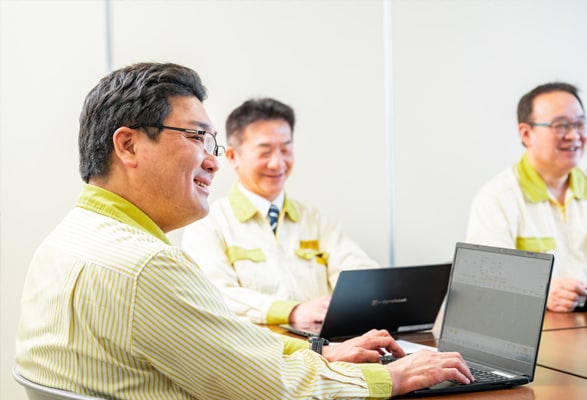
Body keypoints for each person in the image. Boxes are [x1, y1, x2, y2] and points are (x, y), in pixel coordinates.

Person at [16, 62, 472, 399]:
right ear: (128, 145)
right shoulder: (148, 265)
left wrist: (317, 353)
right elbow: (271, 388)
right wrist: (391, 377)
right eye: (196, 137)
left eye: (211, 142)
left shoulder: (68, 239)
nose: (212, 161)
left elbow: (225, 345)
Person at [182, 97, 380, 325]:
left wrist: (371, 297)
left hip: (327, 343)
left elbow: (360, 274)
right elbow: (216, 294)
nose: (278, 163)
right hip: (258, 346)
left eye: (285, 149)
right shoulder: (208, 224)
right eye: (265, 152)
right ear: (233, 157)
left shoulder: (315, 220)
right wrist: (292, 311)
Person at [466, 82, 587, 313]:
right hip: (535, 326)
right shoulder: (497, 198)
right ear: (526, 134)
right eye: (560, 125)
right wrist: (540, 290)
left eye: (579, 124)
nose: (574, 135)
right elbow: (482, 280)